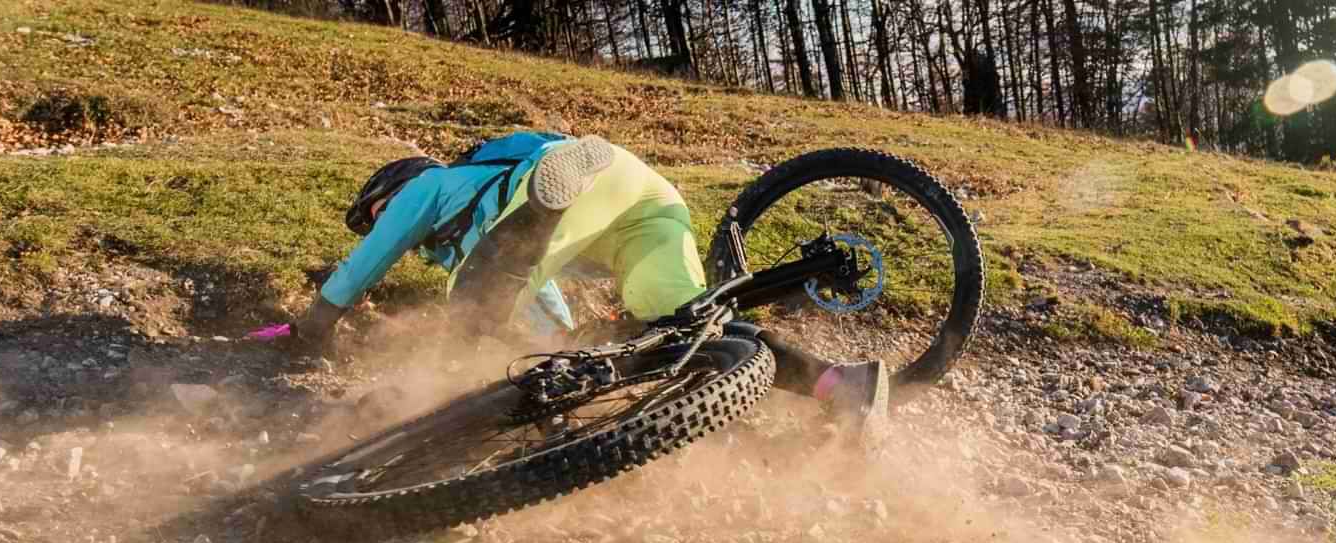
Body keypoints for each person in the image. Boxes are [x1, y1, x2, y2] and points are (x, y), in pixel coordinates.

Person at [285, 131, 889, 419]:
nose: (380, 226)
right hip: (643, 203)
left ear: (396, 187)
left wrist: (317, 324)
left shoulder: (430, 185)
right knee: (687, 328)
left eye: (375, 212)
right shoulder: (492, 247)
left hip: (561, 183)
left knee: (470, 299)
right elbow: (544, 309)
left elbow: (370, 260)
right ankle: (841, 386)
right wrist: (564, 348)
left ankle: (553, 194)